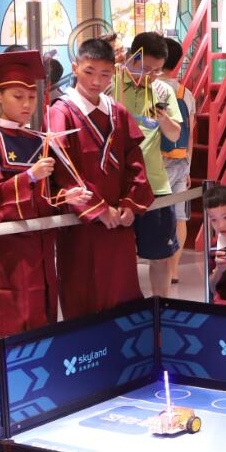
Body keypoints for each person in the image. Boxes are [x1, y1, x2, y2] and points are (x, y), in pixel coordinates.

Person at [0, 51, 88, 339]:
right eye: (18, 96)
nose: (26, 104)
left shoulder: (36, 138)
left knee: (42, 315)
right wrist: (28, 177)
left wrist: (66, 197)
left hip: (40, 247)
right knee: (10, 320)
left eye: (31, 97)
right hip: (8, 252)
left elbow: (47, 192)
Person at [49, 38, 154, 319]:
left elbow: (135, 162)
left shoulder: (117, 112)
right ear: (75, 68)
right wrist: (97, 208)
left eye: (105, 74)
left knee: (122, 294)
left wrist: (130, 204)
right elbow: (63, 171)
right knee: (83, 296)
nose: (96, 81)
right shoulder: (61, 112)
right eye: (89, 72)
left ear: (114, 73)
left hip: (119, 222)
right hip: (82, 225)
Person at [116, 32, 184, 298]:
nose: (150, 76)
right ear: (131, 57)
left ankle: (161, 307)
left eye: (156, 71)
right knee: (119, 258)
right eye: (145, 69)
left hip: (155, 185)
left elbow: (175, 135)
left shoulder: (163, 91)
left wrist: (164, 117)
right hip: (117, 185)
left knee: (160, 256)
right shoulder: (112, 84)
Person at [160, 37, 196, 286]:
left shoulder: (150, 89)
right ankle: (174, 271)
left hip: (157, 163)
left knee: (158, 215)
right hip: (181, 160)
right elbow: (190, 132)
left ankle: (160, 265)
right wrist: (188, 166)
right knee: (180, 216)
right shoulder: (186, 93)